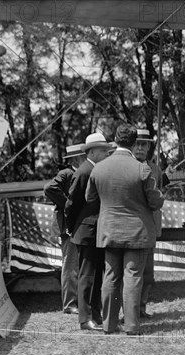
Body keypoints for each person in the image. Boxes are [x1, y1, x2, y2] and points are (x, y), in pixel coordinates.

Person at [86, 124, 164, 335]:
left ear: (116, 140)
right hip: (137, 233)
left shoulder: (99, 168)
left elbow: (90, 199)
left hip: (109, 231)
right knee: (133, 276)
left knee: (111, 276)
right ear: (133, 142)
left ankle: (108, 324)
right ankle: (131, 325)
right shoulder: (142, 168)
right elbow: (156, 202)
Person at [64, 133, 113, 331]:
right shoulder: (84, 171)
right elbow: (71, 204)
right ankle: (85, 319)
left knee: (98, 275)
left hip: (97, 232)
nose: (106, 153)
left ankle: (96, 314)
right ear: (91, 152)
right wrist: (72, 226)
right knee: (87, 276)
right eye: (103, 150)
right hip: (86, 232)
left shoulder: (96, 170)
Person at [43, 144, 84, 315]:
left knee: (77, 265)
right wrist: (68, 203)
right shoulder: (66, 173)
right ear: (76, 159)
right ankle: (69, 304)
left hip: (77, 226)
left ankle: (77, 301)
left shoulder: (79, 174)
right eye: (83, 156)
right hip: (69, 227)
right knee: (70, 265)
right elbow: (49, 188)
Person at [132, 128, 167, 319]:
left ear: (148, 147)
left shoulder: (155, 169)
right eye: (136, 143)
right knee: (130, 273)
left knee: (147, 273)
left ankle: (141, 307)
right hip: (130, 226)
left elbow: (159, 195)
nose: (139, 148)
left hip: (149, 226)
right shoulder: (126, 165)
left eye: (143, 144)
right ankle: (128, 310)